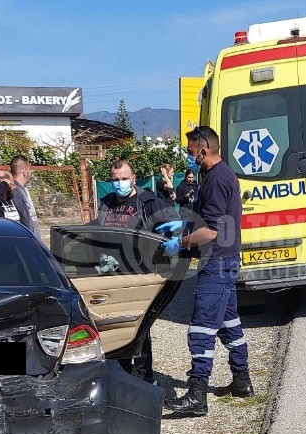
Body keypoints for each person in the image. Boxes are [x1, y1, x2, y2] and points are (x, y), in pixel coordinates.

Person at [162, 126, 253, 417]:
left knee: (201, 329)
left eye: (191, 153)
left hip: (216, 263)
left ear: (203, 150)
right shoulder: (223, 174)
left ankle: (197, 394)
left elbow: (211, 231)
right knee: (229, 325)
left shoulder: (215, 179)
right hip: (227, 261)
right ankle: (242, 380)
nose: (189, 158)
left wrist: (181, 243)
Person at [95, 160, 183, 385]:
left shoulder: (149, 201)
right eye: (115, 179)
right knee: (117, 326)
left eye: (124, 178)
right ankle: (123, 374)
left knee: (140, 326)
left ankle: (145, 377)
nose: (119, 183)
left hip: (143, 274)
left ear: (133, 179)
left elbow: (174, 225)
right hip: (115, 273)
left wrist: (168, 244)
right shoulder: (106, 203)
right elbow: (100, 234)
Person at [10, 155, 41, 234]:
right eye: (29, 169)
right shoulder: (16, 191)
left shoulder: (22, 189)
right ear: (25, 171)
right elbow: (23, 221)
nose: (30, 172)